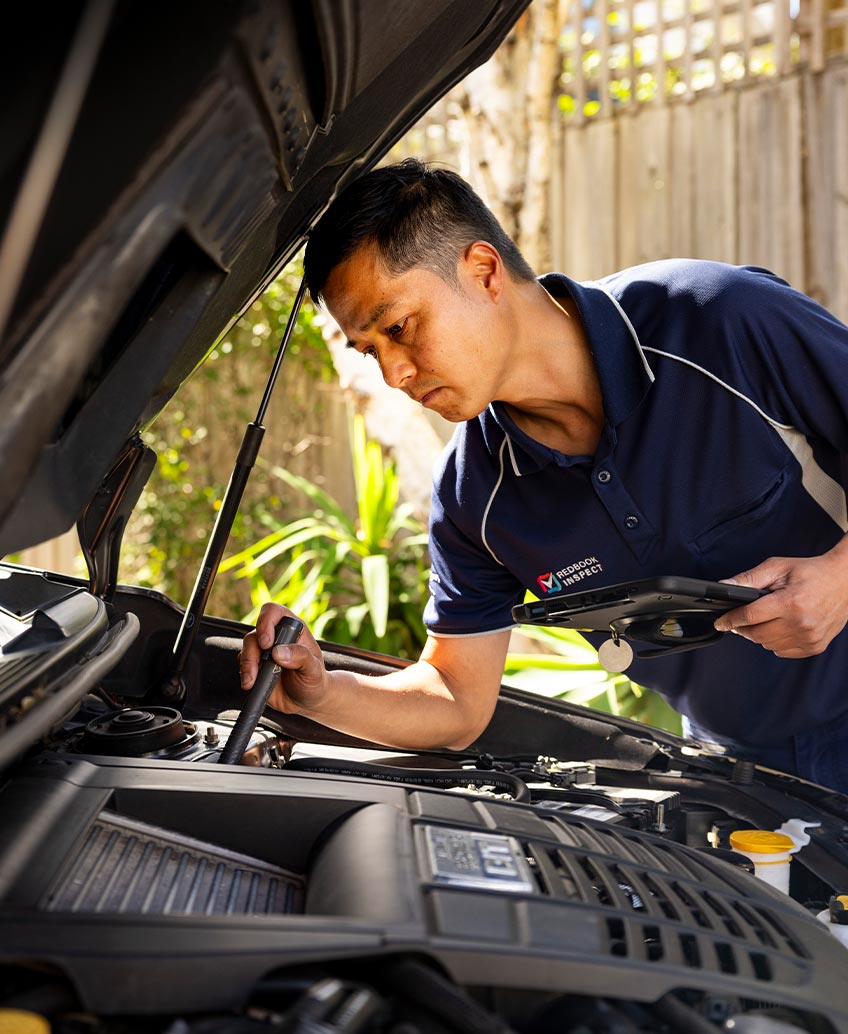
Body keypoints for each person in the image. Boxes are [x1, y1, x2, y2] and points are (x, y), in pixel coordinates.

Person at [239, 158, 848, 792]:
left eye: (398, 328)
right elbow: (455, 697)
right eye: (371, 351)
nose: (393, 375)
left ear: (483, 270)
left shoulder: (718, 320)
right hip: (744, 775)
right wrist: (321, 692)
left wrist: (841, 578)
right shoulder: (476, 499)